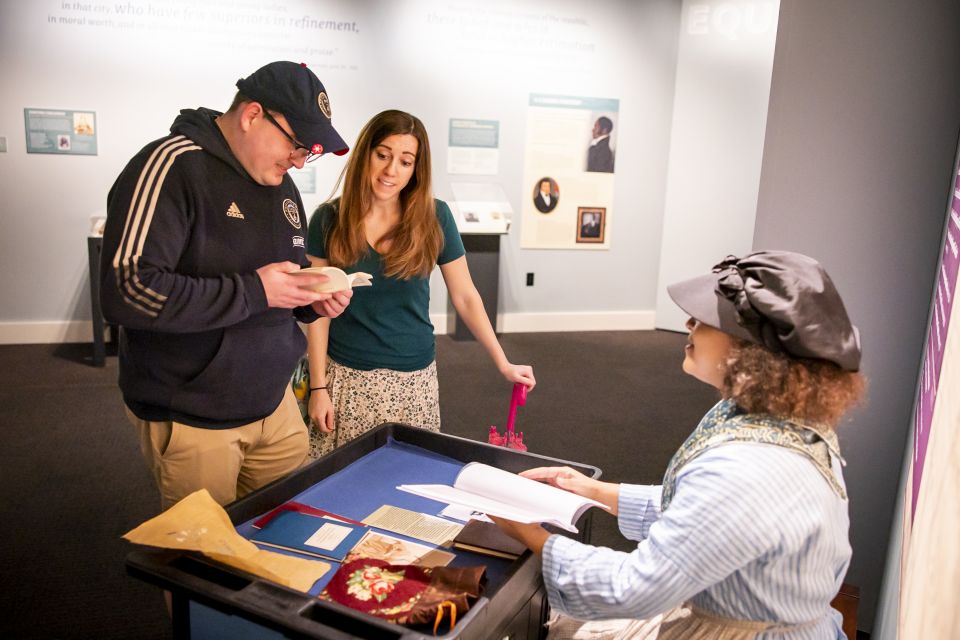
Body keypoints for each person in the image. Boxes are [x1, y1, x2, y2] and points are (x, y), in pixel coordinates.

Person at [492, 250, 866, 639]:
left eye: (706, 319)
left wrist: (525, 530)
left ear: (751, 352)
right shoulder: (782, 424)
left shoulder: (746, 467)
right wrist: (593, 490)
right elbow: (703, 520)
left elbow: (633, 589)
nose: (688, 323)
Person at [100, 61, 353, 510]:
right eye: (297, 144)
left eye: (308, 151)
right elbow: (127, 290)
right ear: (252, 115)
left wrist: (313, 302)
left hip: (273, 407)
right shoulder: (171, 167)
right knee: (203, 562)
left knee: (277, 542)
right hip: (194, 415)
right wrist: (257, 291)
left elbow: (281, 288)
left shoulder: (283, 189)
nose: (299, 159)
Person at [304, 109, 536, 458]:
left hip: (413, 380)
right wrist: (318, 387)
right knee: (344, 488)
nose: (390, 171)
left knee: (407, 488)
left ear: (416, 169)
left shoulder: (434, 216)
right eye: (383, 155)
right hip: (347, 378)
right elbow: (316, 311)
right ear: (366, 153)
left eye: (405, 161)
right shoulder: (329, 219)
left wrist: (502, 362)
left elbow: (466, 296)